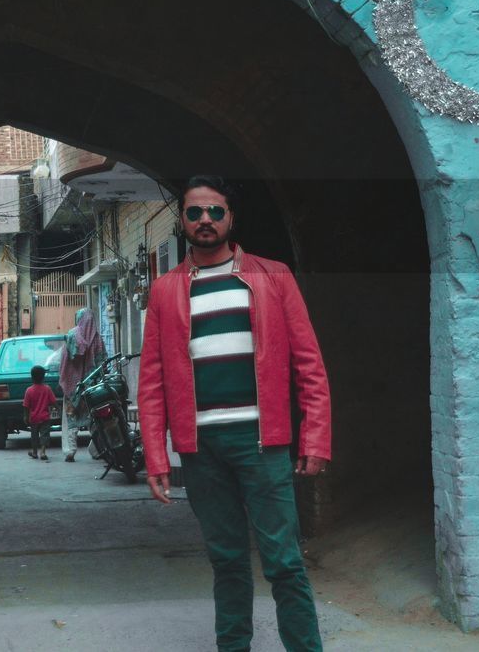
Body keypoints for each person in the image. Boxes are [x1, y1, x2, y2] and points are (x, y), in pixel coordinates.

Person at [138, 176, 331, 652]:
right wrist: (157, 458)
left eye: (215, 212)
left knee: (284, 561)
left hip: (263, 443)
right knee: (226, 561)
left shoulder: (274, 277)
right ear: (182, 220)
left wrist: (314, 439)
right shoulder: (164, 291)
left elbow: (309, 364)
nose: (205, 220)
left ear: (231, 218)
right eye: (195, 212)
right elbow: (152, 382)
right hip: (202, 449)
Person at [58, 307, 104, 462]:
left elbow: (64, 361)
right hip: (91, 387)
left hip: (72, 387)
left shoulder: (71, 336)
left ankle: (70, 451)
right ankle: (97, 450)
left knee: (70, 419)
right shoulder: (97, 339)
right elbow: (102, 363)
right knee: (95, 418)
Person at [22, 366, 57, 462]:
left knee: (34, 436)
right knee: (44, 435)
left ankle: (34, 452)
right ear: (43, 377)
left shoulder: (29, 390)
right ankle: (43, 452)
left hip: (33, 418)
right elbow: (54, 402)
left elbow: (26, 405)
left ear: (32, 378)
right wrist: (58, 410)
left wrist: (25, 416)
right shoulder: (47, 389)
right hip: (45, 417)